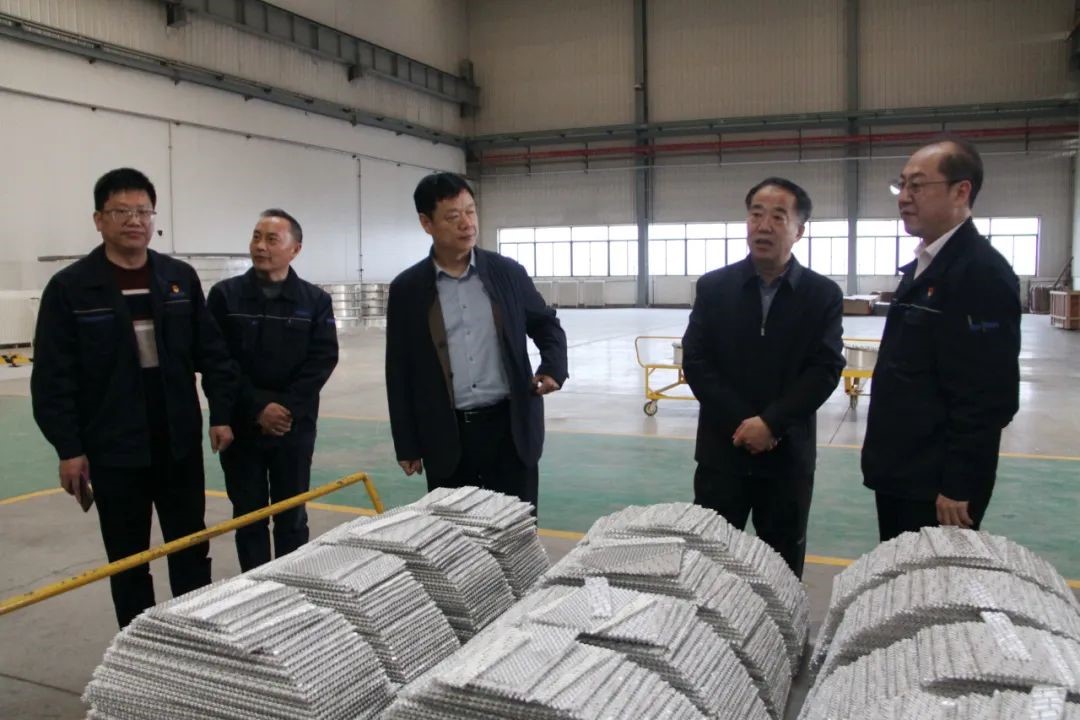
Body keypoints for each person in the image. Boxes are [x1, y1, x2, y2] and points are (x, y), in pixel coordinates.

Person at [31, 168, 236, 628]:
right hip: (113, 448)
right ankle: (138, 643)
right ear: (98, 220)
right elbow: (52, 379)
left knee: (190, 546)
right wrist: (69, 448)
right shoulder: (71, 288)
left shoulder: (177, 278)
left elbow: (213, 353)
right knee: (128, 559)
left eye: (143, 211)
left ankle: (196, 635)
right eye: (121, 211)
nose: (134, 221)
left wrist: (221, 413)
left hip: (177, 441)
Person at [682, 177, 844, 578]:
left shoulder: (822, 295)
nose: (763, 226)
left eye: (778, 217)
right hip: (723, 453)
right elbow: (697, 361)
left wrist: (771, 423)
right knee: (711, 566)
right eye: (756, 215)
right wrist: (744, 424)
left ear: (799, 230)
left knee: (781, 570)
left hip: (787, 457)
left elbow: (825, 368)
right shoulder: (714, 288)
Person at [862, 138, 1021, 541]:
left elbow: (990, 394)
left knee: (934, 579)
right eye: (902, 185)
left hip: (937, 487)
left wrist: (960, 482)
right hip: (904, 471)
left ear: (961, 191)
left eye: (917, 185)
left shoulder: (979, 273)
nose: (904, 197)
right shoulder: (927, 266)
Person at [385, 172, 568, 514]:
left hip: (510, 429)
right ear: (426, 223)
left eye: (471, 211)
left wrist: (553, 367)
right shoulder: (407, 289)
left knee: (515, 530)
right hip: (446, 433)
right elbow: (399, 369)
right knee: (454, 532)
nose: (467, 223)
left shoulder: (507, 273)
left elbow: (545, 324)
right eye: (453, 216)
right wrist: (407, 443)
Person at [207, 209, 338, 572]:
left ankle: (292, 585)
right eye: (256, 237)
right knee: (248, 516)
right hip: (241, 427)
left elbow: (322, 360)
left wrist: (286, 408)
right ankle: (257, 589)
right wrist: (256, 408)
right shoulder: (225, 297)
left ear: (295, 249)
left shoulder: (314, 300)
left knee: (291, 515)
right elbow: (218, 361)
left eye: (271, 239)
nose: (260, 246)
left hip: (292, 427)